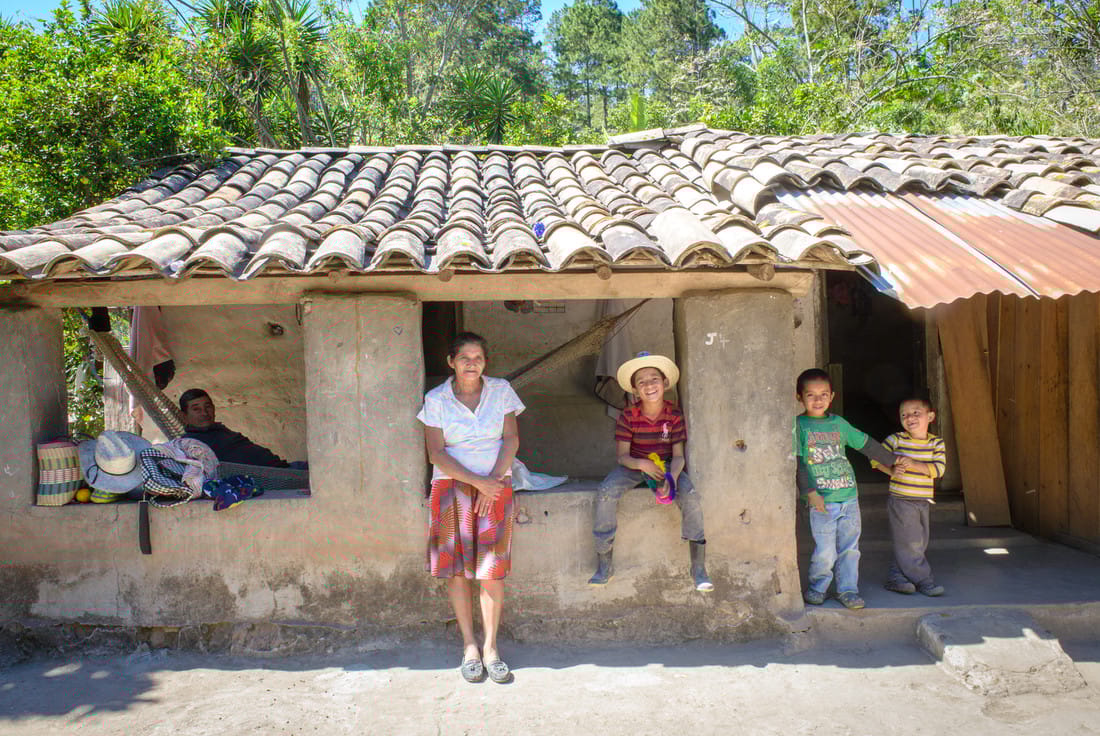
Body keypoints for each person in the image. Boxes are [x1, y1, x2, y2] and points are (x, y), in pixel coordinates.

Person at [416, 332, 524, 684]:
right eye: (464, 358)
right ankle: (469, 647)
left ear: (485, 362)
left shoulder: (501, 390)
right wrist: (479, 483)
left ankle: (491, 648)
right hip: (451, 488)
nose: (472, 364)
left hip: (495, 485)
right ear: (451, 362)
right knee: (458, 571)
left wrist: (493, 482)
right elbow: (436, 453)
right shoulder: (436, 399)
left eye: (478, 358)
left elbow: (511, 439)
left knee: (491, 570)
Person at [588, 351, 712, 592]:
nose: (649, 385)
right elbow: (623, 457)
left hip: (666, 467)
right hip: (634, 466)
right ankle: (604, 562)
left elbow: (678, 456)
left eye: (654, 379)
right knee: (606, 492)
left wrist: (671, 478)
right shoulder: (628, 416)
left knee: (690, 495)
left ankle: (698, 568)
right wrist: (641, 464)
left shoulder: (674, 415)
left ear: (665, 382)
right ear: (635, 390)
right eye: (641, 381)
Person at [794, 368, 898, 610]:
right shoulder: (798, 426)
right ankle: (818, 587)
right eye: (810, 395)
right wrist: (810, 492)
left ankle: (848, 590)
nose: (818, 400)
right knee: (825, 551)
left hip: (849, 497)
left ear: (832, 396)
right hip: (821, 501)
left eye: (823, 394)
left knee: (850, 548)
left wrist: (893, 461)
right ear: (799, 397)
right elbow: (799, 462)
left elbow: (865, 444)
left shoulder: (838, 424)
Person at [871, 396, 948, 597]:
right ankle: (924, 580)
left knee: (916, 541)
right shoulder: (896, 440)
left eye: (916, 413)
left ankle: (897, 577)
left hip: (923, 501)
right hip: (901, 499)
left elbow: (938, 470)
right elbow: (874, 457)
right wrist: (891, 471)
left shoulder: (936, 442)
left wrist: (913, 464)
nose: (909, 417)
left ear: (930, 416)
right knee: (911, 541)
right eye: (904, 414)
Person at [180, 388, 296, 468]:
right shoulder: (191, 445)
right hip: (269, 478)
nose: (205, 413)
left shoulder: (218, 431)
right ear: (184, 416)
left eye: (208, 407)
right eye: (196, 409)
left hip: (279, 467)